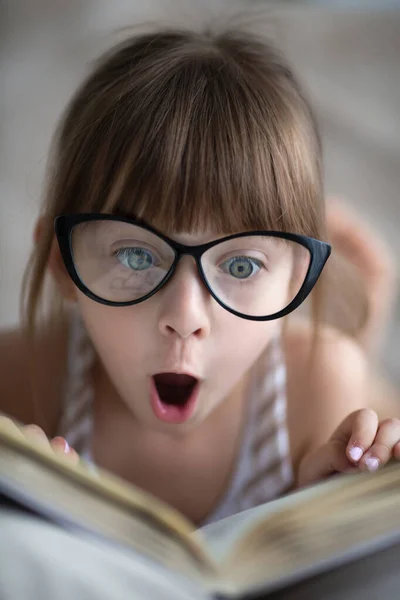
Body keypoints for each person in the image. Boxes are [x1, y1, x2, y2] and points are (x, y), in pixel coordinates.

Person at [0, 24, 399, 525]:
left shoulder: (315, 389)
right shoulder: (23, 381)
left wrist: (319, 516)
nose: (185, 317)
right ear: (64, 263)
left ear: (296, 282)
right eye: (136, 256)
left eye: (241, 265)